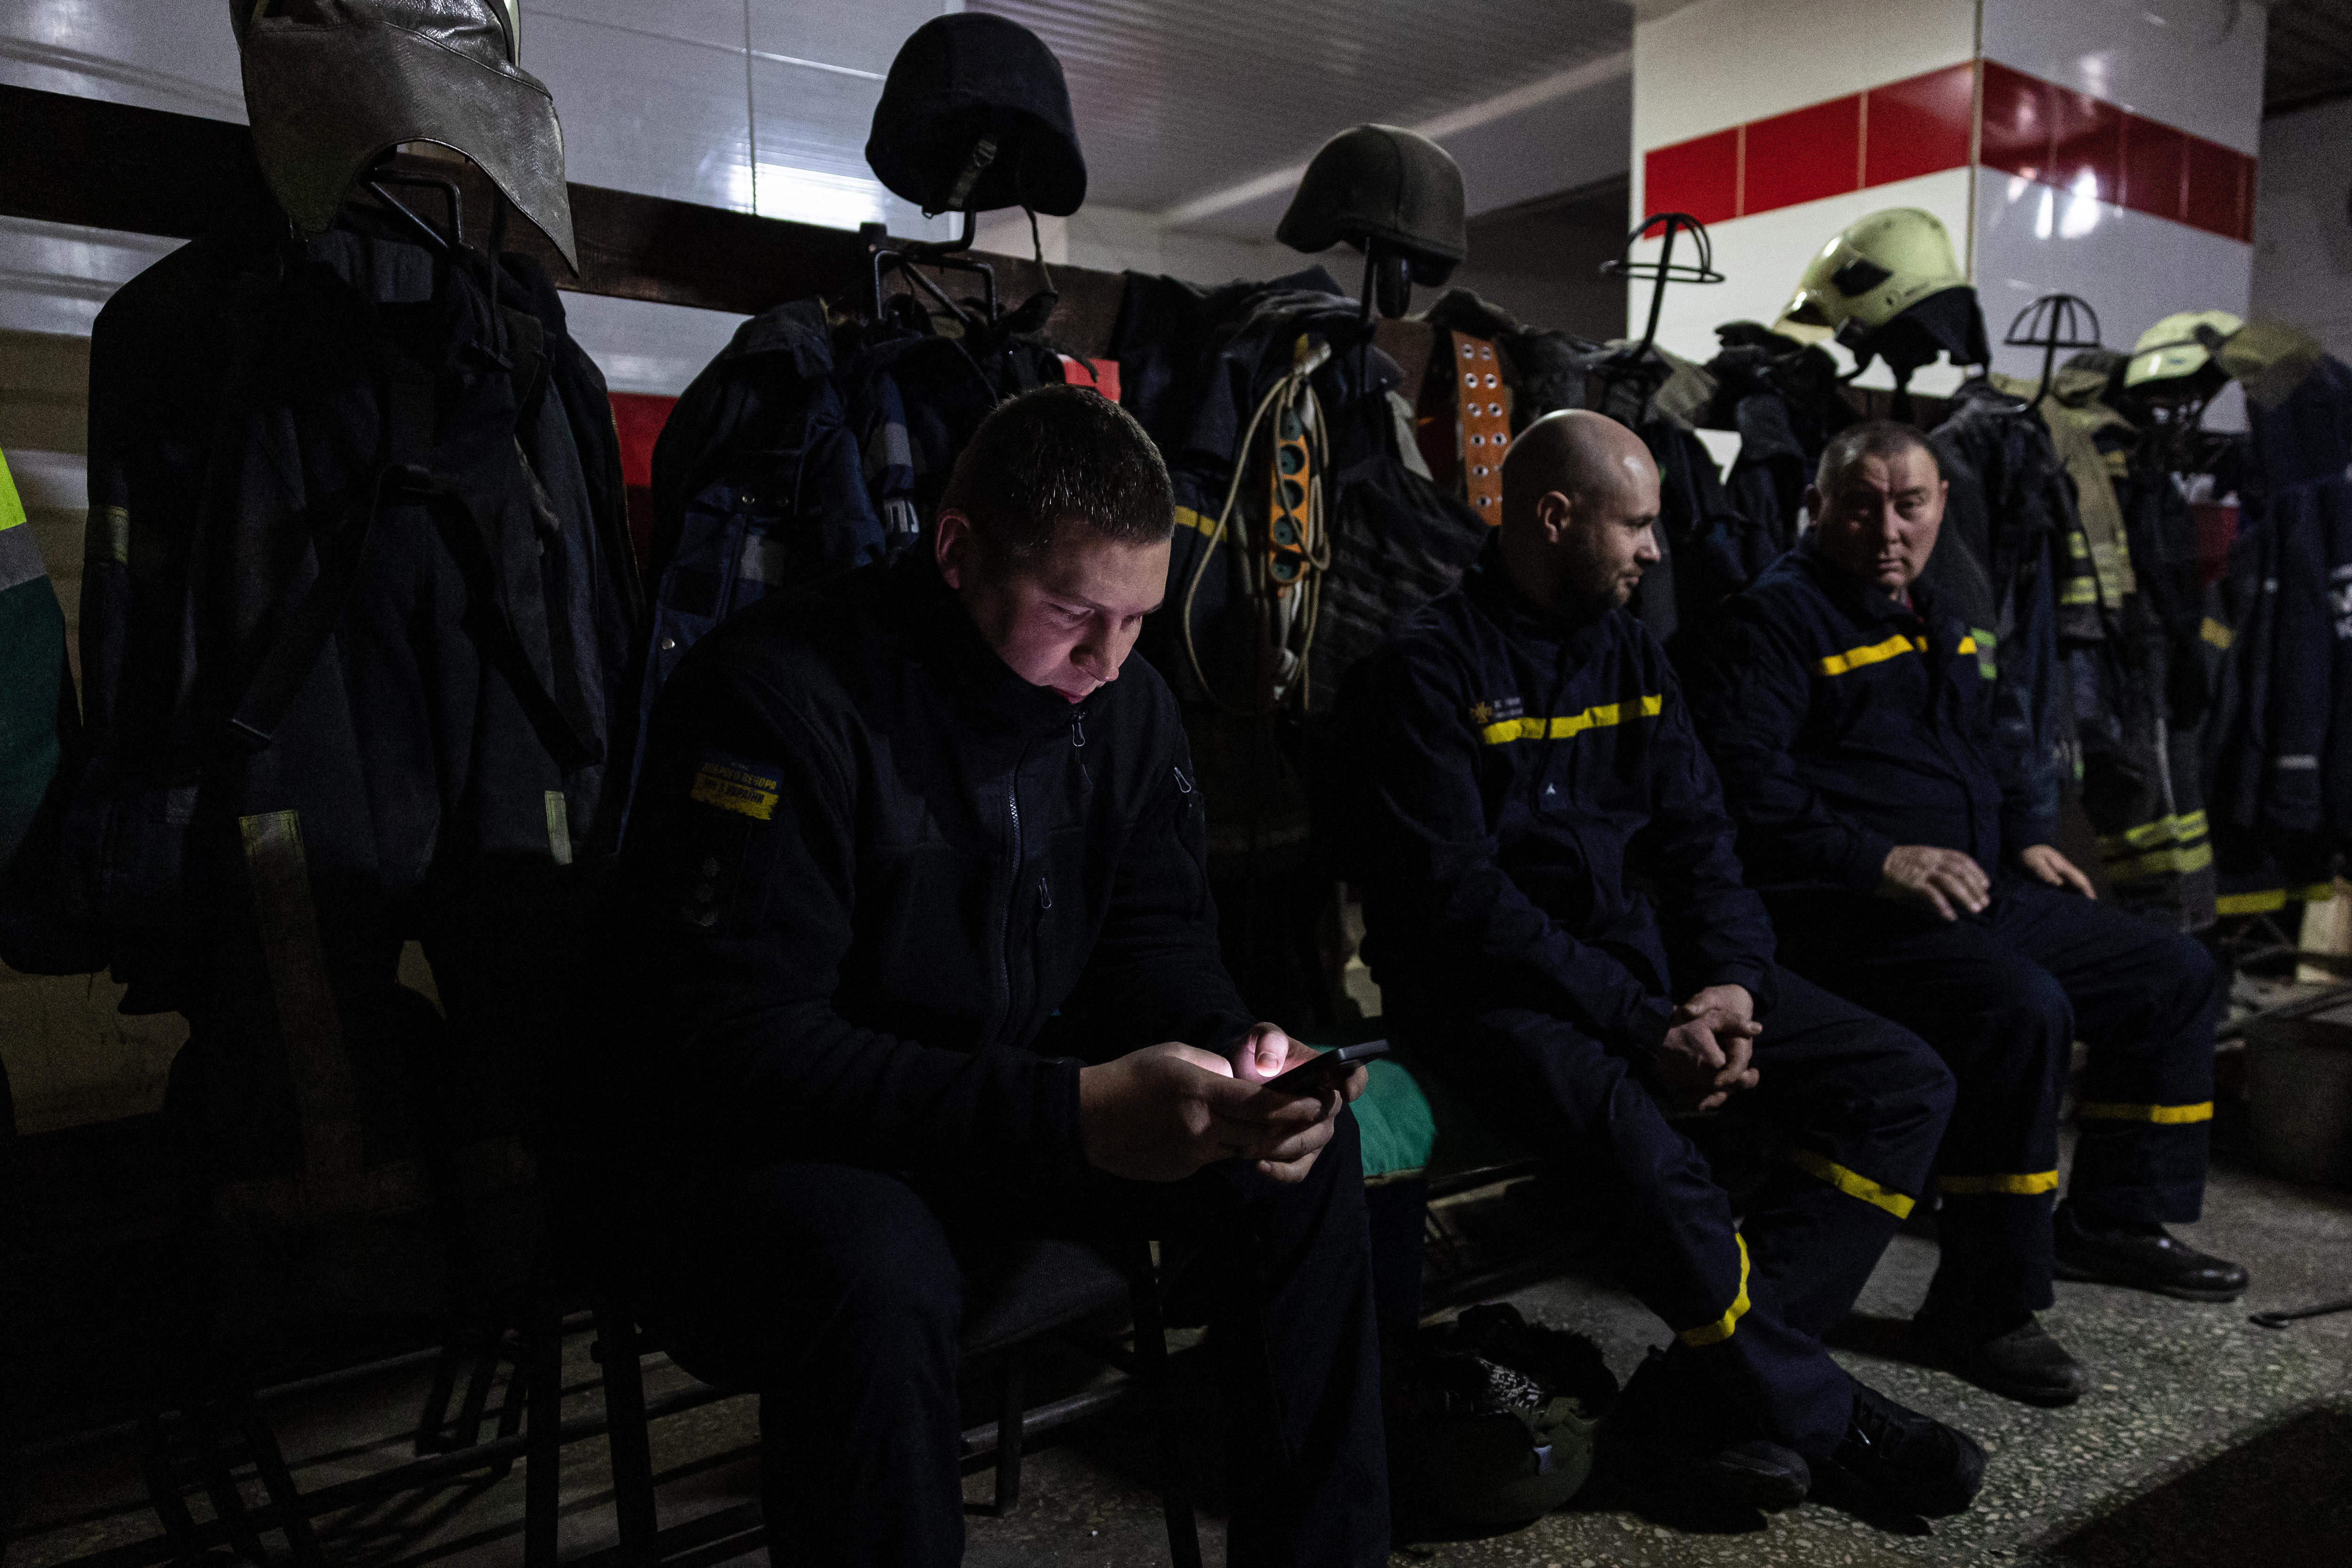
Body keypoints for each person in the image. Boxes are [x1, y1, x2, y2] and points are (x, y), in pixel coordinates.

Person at [604, 385, 1388, 1567]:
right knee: (877, 1265)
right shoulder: (774, 698)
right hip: (782, 1149)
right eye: (1075, 611)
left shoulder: (1124, 701)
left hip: (1007, 1122)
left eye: (1137, 618)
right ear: (957, 549)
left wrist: (1237, 1058)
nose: (1109, 657)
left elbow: (1155, 942)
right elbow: (742, 1049)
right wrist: (1070, 1111)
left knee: (1304, 1170)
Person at [1335, 409, 1981, 1520]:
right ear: (1554, 516)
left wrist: (1731, 982)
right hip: (1493, 1001)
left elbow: (1700, 838)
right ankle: (1826, 1414)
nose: (1655, 550)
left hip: (1643, 981)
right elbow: (1468, 910)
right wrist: (1648, 1025)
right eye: (1636, 524)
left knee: (1903, 1081)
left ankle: (1701, 1405)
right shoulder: (1423, 674)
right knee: (1646, 1137)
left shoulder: (1631, 651)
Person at [1684, 419, 2249, 1408]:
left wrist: (2028, 832)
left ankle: (2115, 1220)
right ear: (1816, 507)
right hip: (1840, 912)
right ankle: (1985, 1306)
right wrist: (1879, 859)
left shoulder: (1938, 613)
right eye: (1860, 503)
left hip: (1972, 886)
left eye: (1910, 504)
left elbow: (1989, 736)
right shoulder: (1770, 624)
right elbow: (1741, 795)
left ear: (1943, 505)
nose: (1887, 526)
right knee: (2018, 1008)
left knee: (2172, 971)